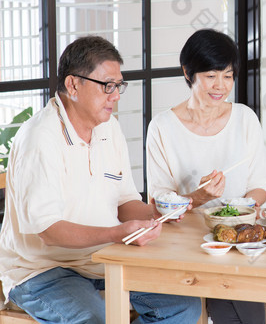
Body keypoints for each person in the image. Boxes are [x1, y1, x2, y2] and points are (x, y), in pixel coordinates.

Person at [0, 36, 201, 323]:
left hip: (103, 261)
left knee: (183, 305)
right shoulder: (40, 138)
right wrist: (116, 234)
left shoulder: (110, 129)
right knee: (96, 320)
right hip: (41, 271)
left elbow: (124, 201)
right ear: (73, 85)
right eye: (107, 85)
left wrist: (156, 212)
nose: (116, 95)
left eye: (119, 86)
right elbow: (48, 230)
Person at [146, 29, 266, 323]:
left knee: (243, 311)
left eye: (228, 76)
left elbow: (258, 187)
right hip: (182, 245)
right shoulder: (162, 127)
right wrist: (200, 197)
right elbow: (158, 203)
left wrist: (242, 213)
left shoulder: (245, 119)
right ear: (189, 73)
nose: (221, 86)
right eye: (211, 75)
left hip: (236, 239)